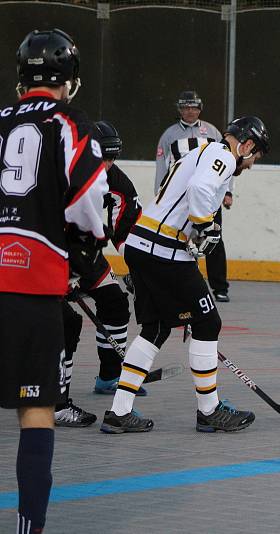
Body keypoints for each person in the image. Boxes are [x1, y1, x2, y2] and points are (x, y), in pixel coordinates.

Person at [101, 116, 270, 434]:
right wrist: (207, 224)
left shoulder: (201, 151)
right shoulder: (222, 156)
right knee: (208, 322)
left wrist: (200, 229)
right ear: (246, 145)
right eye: (255, 155)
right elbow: (198, 189)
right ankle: (209, 410)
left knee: (156, 327)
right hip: (163, 251)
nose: (252, 163)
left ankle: (119, 412)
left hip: (141, 245)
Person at [1, 29, 108, 532]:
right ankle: (28, 527)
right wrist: (87, 242)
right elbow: (88, 202)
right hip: (32, 288)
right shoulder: (69, 122)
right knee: (36, 410)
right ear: (70, 81)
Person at [55, 120, 145, 428]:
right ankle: (56, 396)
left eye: (111, 158)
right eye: (101, 157)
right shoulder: (59, 174)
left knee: (115, 301)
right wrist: (64, 273)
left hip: (86, 255)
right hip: (49, 254)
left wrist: (136, 267)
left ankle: (109, 375)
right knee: (66, 321)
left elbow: (126, 228)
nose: (106, 165)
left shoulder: (118, 182)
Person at [155, 90, 231, 302]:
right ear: (179, 109)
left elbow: (227, 161)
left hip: (208, 196)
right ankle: (177, 283)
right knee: (177, 237)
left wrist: (228, 191)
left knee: (214, 238)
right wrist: (159, 193)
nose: (190, 111)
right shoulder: (169, 135)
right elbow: (161, 167)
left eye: (193, 107)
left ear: (200, 109)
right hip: (179, 198)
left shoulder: (213, 132)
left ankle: (220, 287)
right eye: (186, 107)